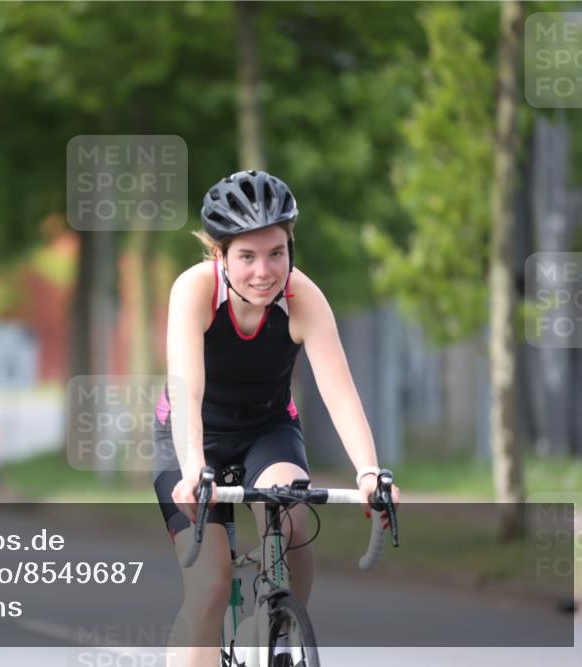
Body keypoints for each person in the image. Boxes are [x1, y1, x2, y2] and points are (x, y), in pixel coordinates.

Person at [152, 170, 401, 666]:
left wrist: (370, 473)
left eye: (276, 253)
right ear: (219, 256)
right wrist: (194, 467)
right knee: (210, 586)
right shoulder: (194, 291)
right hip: (191, 432)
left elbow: (340, 394)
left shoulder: (302, 297)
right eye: (246, 256)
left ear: (290, 247)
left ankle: (280, 627)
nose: (263, 271)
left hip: (268, 428)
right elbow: (187, 390)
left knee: (292, 513)